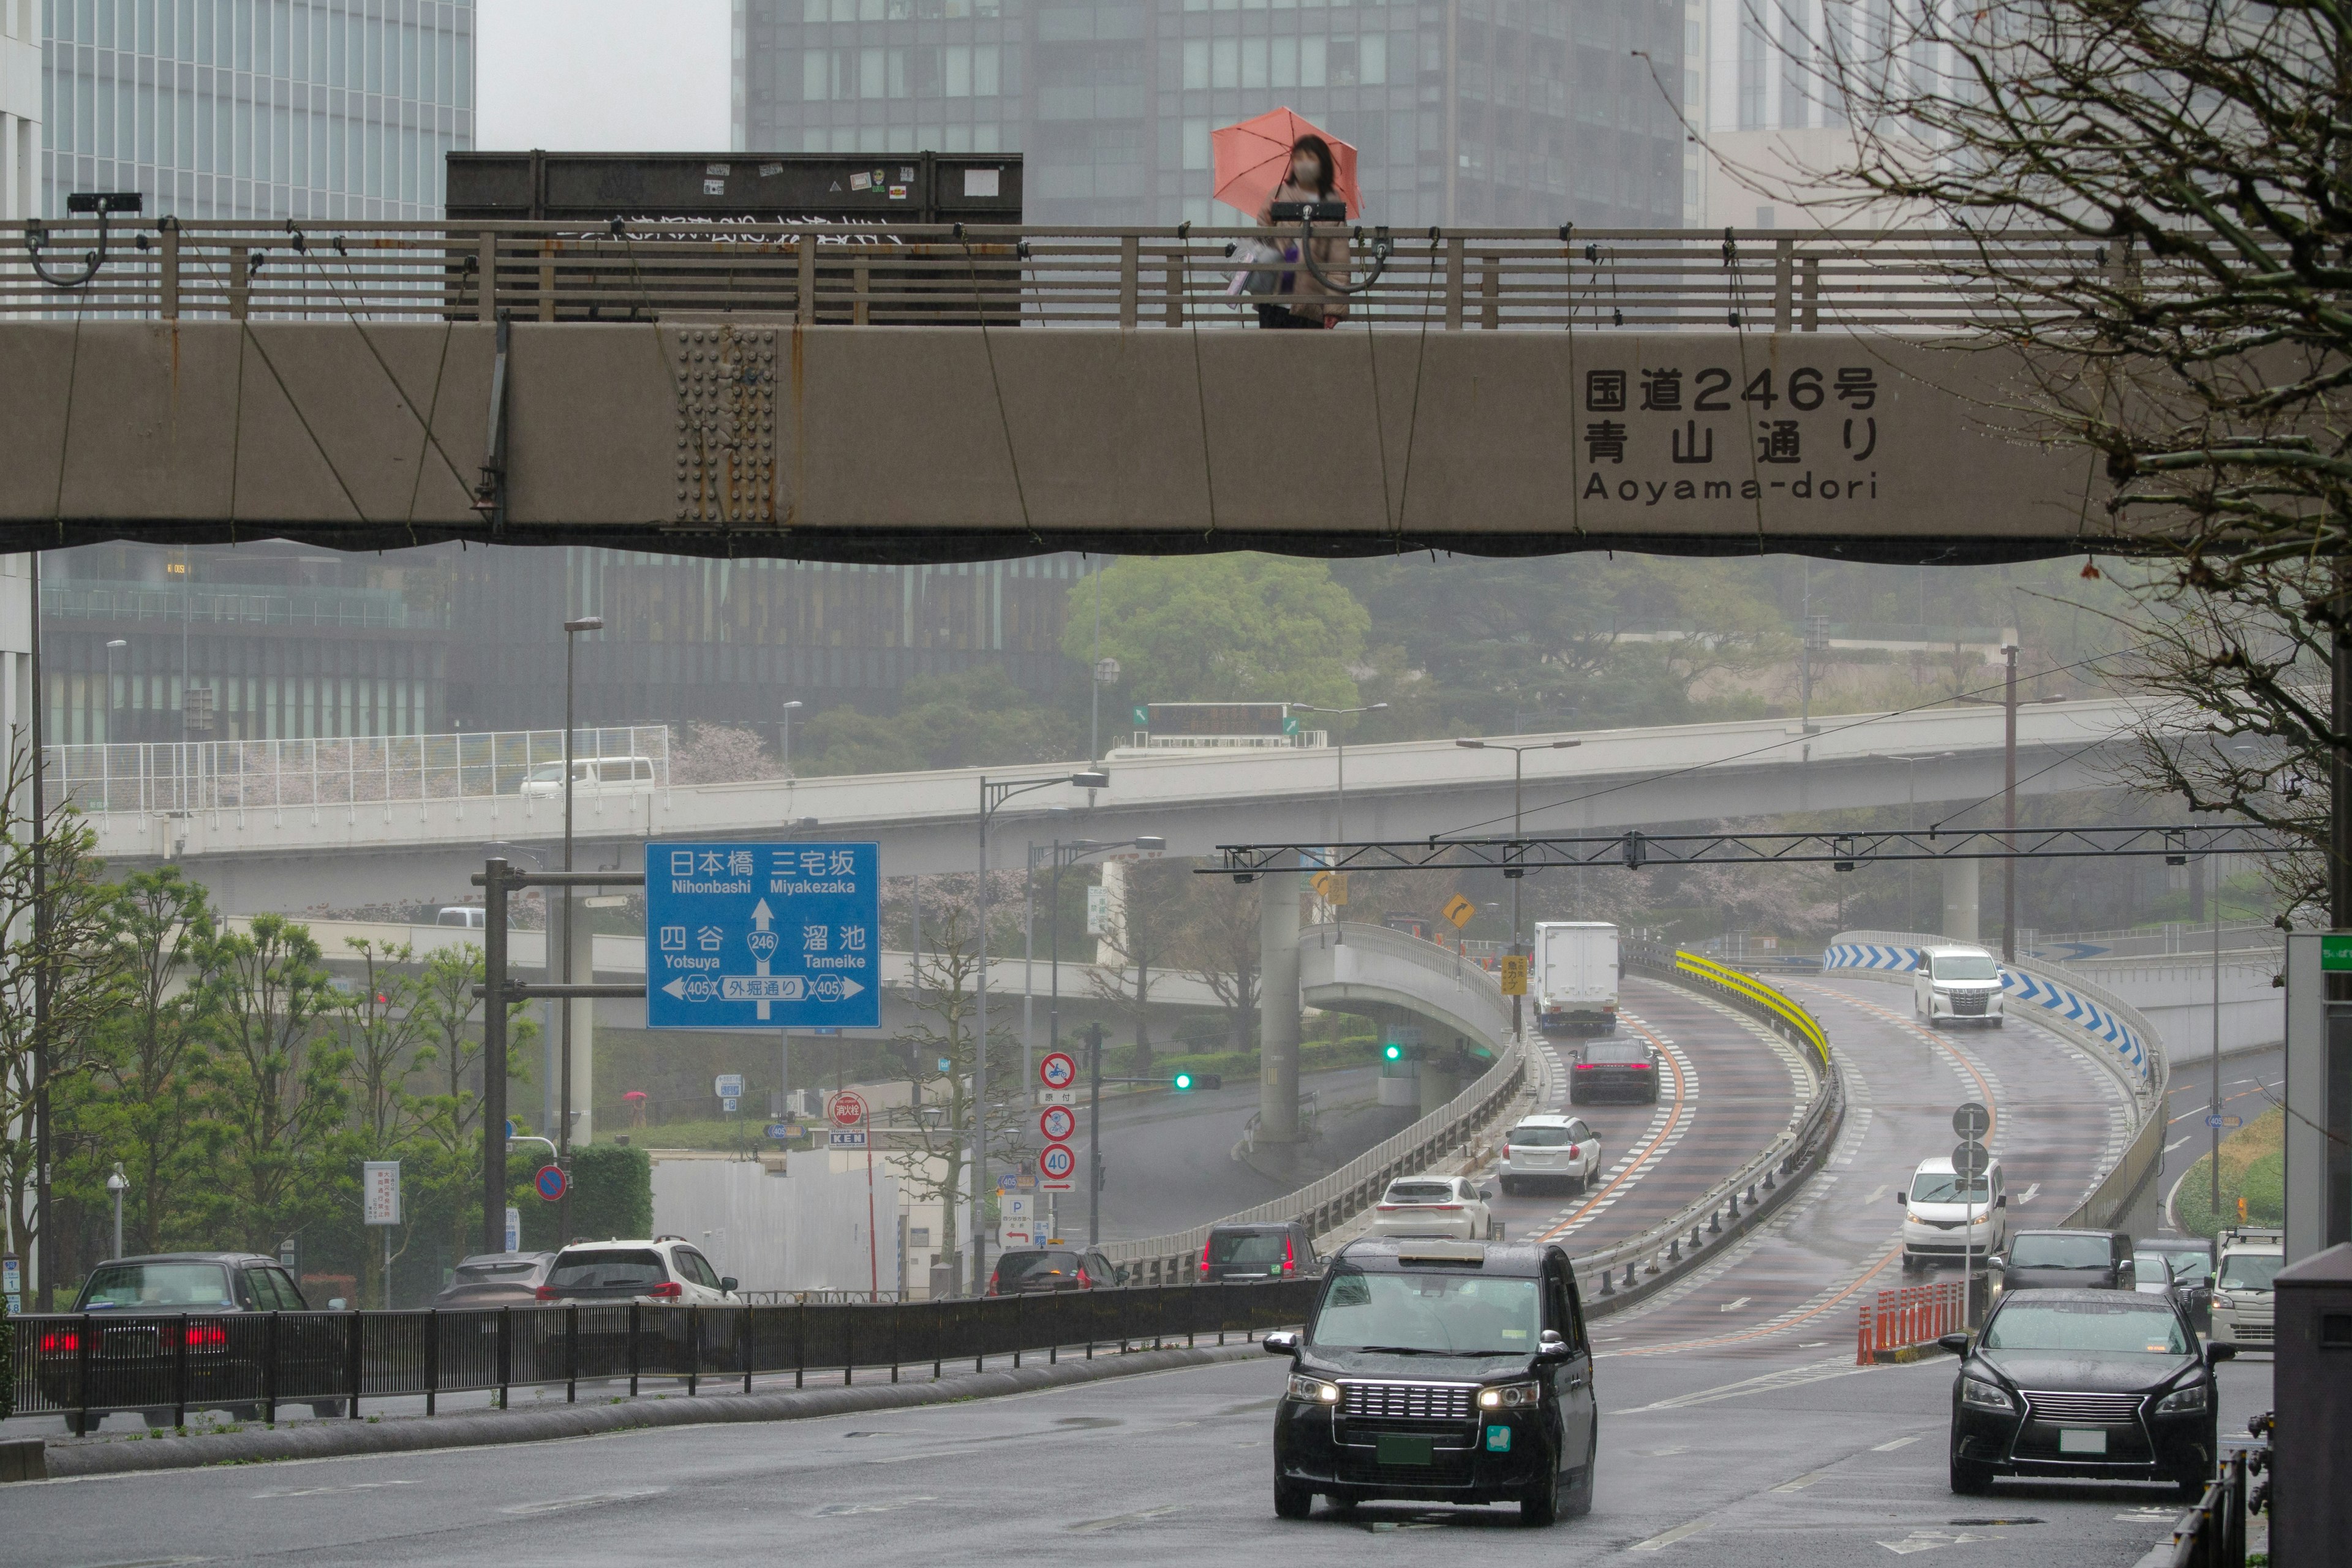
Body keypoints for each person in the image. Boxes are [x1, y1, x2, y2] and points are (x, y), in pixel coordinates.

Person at [1255, 134, 1351, 329]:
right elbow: (1261, 244)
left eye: (1311, 158)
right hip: (1273, 299)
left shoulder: (1331, 203)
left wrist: (1333, 309)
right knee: (1269, 358)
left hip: (1310, 303)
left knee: (1307, 359)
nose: (1304, 164)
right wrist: (1268, 217)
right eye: (1299, 158)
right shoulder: (1277, 194)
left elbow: (1338, 263)